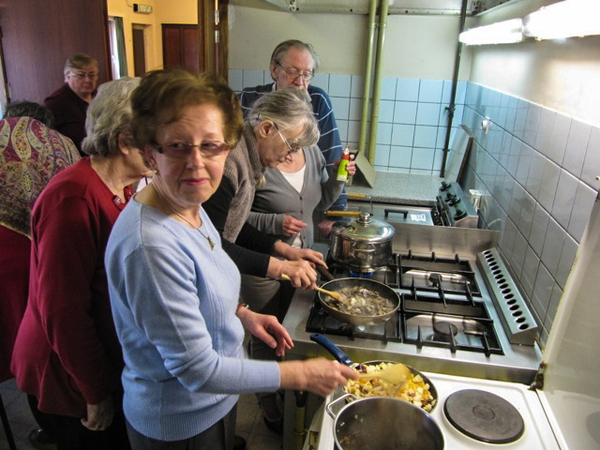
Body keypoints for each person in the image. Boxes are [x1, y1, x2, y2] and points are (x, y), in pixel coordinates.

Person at [105, 68, 357, 450]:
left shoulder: (188, 206)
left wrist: (242, 314)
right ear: (149, 151)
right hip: (179, 422)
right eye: (177, 146)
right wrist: (298, 375)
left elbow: (210, 262)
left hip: (213, 405)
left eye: (211, 146)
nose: (197, 163)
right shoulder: (151, 245)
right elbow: (196, 370)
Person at [11, 77, 151, 450]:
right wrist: (94, 391)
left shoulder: (124, 187)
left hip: (99, 362)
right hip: (67, 375)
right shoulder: (73, 198)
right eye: (154, 140)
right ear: (124, 142)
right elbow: (63, 312)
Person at [242, 137, 356, 432]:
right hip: (261, 263)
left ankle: (282, 383)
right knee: (265, 334)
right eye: (295, 137)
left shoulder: (312, 152)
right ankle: (268, 403)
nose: (298, 145)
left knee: (288, 329)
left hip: (300, 259)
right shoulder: (258, 157)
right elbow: (234, 218)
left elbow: (321, 202)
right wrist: (274, 223)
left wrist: (337, 178)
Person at [203, 88, 327, 290]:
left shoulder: (249, 158)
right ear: (267, 129)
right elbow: (211, 245)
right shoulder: (229, 165)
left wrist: (284, 250)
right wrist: (280, 267)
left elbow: (235, 223)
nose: (290, 155)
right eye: (292, 146)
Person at [1, 102, 72, 447]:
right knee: (46, 344)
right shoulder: (61, 146)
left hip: (4, 260)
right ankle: (55, 422)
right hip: (46, 258)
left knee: (16, 340)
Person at [239, 39, 347, 237]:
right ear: (274, 70)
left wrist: (337, 211)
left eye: (306, 74)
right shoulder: (248, 99)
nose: (300, 82)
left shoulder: (317, 100)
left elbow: (331, 152)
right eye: (292, 72)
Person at [44, 53, 99, 155]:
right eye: (81, 75)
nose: (87, 80)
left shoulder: (101, 96)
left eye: (92, 75)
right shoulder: (55, 103)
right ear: (67, 76)